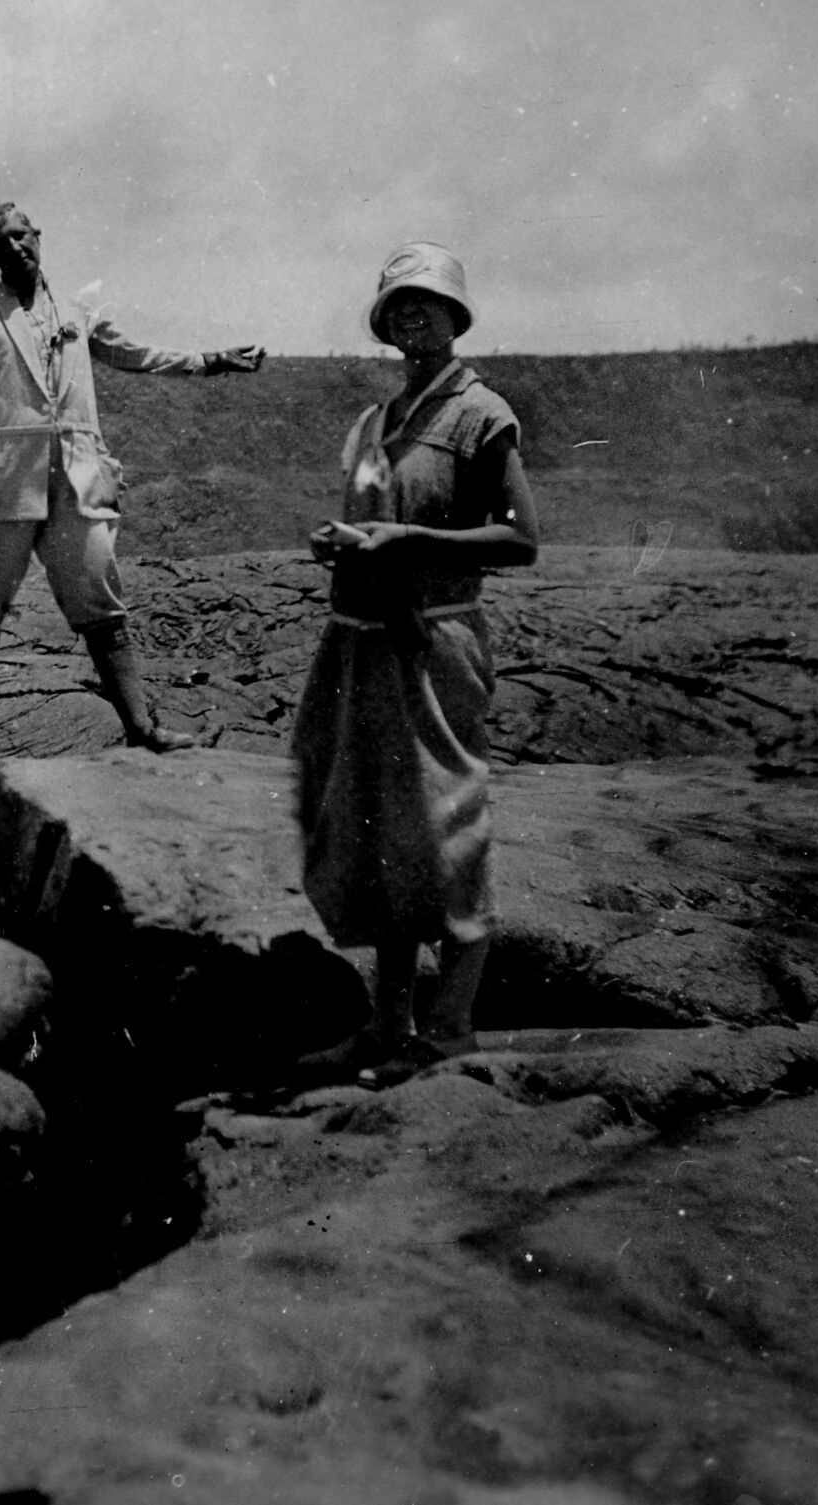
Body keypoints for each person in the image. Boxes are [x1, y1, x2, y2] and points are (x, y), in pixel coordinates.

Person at [291, 243, 539, 1082]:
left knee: (445, 829)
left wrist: (409, 539)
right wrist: (344, 542)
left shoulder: (480, 415)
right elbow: (369, 523)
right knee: (377, 832)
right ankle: (387, 1025)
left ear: (455, 317)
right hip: (360, 642)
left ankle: (452, 1027)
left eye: (426, 305)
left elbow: (520, 539)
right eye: (398, 307)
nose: (411, 318)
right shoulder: (375, 421)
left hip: (434, 643)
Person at [0, 201, 268, 756]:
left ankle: (142, 731)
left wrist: (209, 360)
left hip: (76, 480)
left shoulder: (78, 311)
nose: (15, 247)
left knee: (101, 605)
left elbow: (135, 353)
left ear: (38, 236)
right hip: (5, 481)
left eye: (21, 235)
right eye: (0, 242)